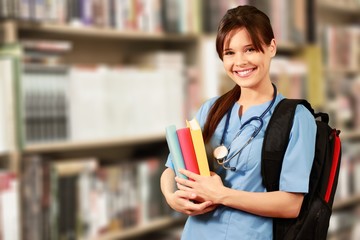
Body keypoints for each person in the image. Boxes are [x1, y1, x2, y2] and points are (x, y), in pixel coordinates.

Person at [160, 5, 316, 239]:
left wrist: (220, 194)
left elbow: (291, 204)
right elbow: (172, 168)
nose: (240, 62)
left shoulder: (296, 118)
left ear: (271, 47)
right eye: (229, 53)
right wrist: (172, 198)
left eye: (250, 49)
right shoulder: (211, 109)